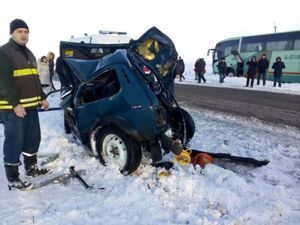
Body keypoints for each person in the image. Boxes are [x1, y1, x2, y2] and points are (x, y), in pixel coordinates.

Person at [0, 19, 50, 190]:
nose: (23, 34)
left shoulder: (29, 54)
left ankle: (31, 168)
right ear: (11, 33)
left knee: (32, 138)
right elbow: (3, 81)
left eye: (26, 31)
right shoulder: (4, 52)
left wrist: (42, 97)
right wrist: (15, 104)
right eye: (19, 31)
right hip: (13, 108)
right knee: (14, 140)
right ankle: (13, 177)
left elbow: (35, 79)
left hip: (31, 106)